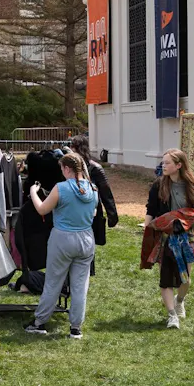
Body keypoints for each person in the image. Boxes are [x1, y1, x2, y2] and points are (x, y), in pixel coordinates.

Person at [24, 153, 98, 339]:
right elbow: (94, 212)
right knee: (80, 286)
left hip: (63, 239)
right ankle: (75, 328)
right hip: (86, 238)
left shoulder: (61, 187)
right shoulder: (92, 188)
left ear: (66, 169)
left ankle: (39, 322)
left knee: (53, 282)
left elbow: (42, 209)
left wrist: (33, 191)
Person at [143, 149, 194, 329]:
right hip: (164, 238)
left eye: (167, 163)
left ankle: (180, 301)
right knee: (165, 279)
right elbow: (151, 209)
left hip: (186, 237)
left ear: (179, 165)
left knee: (185, 279)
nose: (163, 166)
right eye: (162, 163)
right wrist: (147, 231)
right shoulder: (158, 186)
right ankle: (172, 316)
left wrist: (186, 219)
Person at [70, 134, 120, 242]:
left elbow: (106, 193)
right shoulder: (68, 168)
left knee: (88, 243)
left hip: (91, 212)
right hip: (72, 211)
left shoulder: (95, 168)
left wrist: (112, 215)